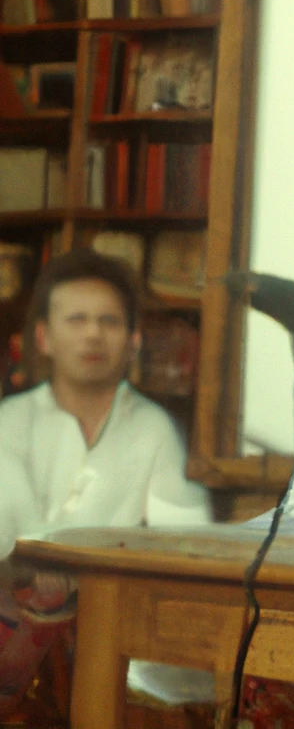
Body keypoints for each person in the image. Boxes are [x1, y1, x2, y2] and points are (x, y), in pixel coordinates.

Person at [0, 249, 210, 711]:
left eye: (109, 321)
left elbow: (186, 552)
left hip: (117, 647)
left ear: (134, 341)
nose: (93, 333)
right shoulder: (8, 424)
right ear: (44, 338)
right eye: (76, 319)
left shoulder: (155, 430)